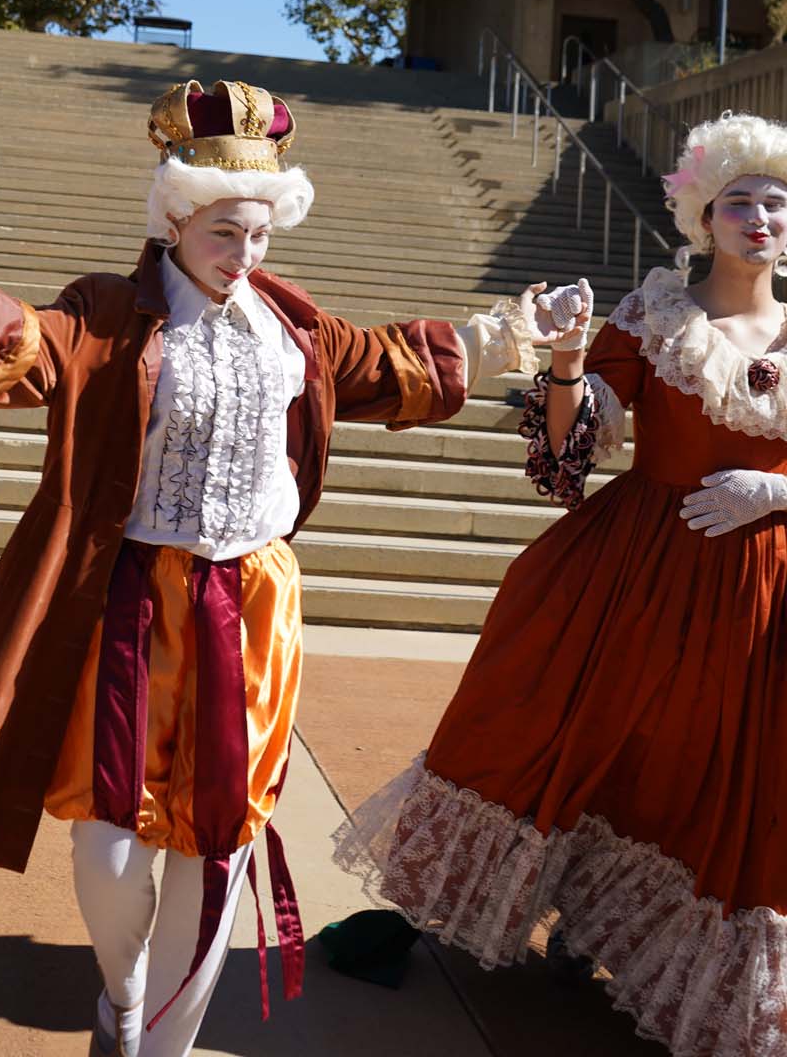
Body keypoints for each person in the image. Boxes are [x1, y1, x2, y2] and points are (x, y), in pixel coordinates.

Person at [0, 76, 547, 1057]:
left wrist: (507, 331)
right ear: (178, 219)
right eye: (225, 232)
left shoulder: (296, 329)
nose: (245, 254)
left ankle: (162, 1045)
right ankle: (124, 989)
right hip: (135, 599)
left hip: (253, 602)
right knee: (108, 836)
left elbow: (399, 364)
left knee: (218, 838)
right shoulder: (113, 313)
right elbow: (21, 348)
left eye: (261, 233)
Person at [335, 110, 787, 1057]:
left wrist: (775, 489)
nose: (762, 215)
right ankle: (437, 914)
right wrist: (572, 358)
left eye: (777, 201)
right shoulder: (654, 314)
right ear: (703, 215)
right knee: (554, 733)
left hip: (762, 593)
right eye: (739, 198)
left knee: (721, 775)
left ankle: (639, 946)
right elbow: (566, 461)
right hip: (632, 574)